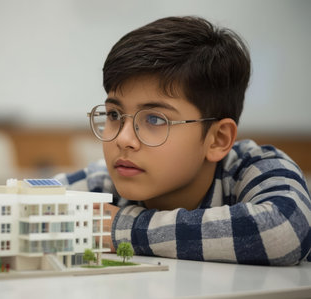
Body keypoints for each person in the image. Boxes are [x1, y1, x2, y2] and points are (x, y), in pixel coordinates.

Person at [55, 16, 311, 265]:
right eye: (114, 114)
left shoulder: (251, 168)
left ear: (217, 140)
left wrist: (119, 228)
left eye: (154, 119)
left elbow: (284, 229)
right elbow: (23, 203)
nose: (123, 139)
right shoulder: (104, 182)